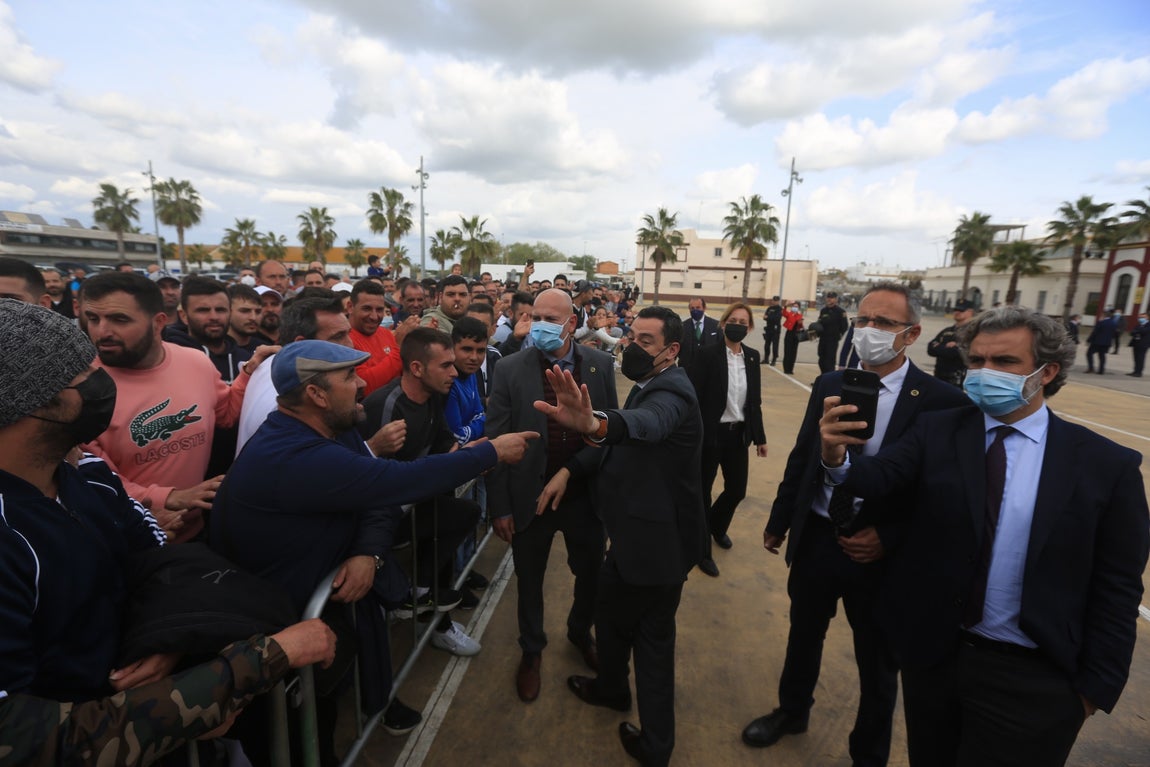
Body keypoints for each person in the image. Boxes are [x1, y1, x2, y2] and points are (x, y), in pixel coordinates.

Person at [0, 299, 335, 766]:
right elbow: (27, 742)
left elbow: (161, 562)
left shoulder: (90, 475)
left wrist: (170, 645)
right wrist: (237, 674)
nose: (102, 383)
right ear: (30, 403)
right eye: (81, 376)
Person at [818, 306, 1149, 767]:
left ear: (1046, 371)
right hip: (936, 659)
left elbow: (1118, 584)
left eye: (1005, 362)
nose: (984, 372)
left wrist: (1092, 689)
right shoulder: (939, 430)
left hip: (1035, 679)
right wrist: (836, 455)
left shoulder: (1106, 465)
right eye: (976, 361)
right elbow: (879, 478)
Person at [745, 282, 969, 764]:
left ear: (910, 334)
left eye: (883, 323)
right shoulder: (830, 383)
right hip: (819, 537)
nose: (868, 330)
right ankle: (791, 710)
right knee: (803, 634)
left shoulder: (942, 400)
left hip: (881, 555)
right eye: (862, 320)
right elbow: (805, 456)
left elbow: (942, 497)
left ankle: (868, 752)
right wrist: (781, 519)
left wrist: (889, 538)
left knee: (879, 660)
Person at [538, 306, 706, 767]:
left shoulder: (672, 390)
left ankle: (655, 746)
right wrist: (573, 468)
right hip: (633, 542)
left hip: (654, 552)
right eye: (632, 336)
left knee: (652, 645)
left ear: (671, 351)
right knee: (610, 617)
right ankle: (611, 688)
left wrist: (594, 424)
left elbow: (650, 425)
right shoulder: (649, 384)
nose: (632, 346)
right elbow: (626, 443)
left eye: (646, 342)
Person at [487, 288, 617, 703]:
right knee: (530, 581)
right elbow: (496, 442)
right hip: (530, 497)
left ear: (572, 324)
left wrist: (574, 470)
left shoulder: (599, 365)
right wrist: (501, 506)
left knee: (591, 575)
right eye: (534, 316)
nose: (539, 324)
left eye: (549, 317)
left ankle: (580, 633)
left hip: (584, 495)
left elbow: (610, 434)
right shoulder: (509, 369)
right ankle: (532, 650)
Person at [78, 272, 268, 542]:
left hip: (198, 532)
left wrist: (251, 370)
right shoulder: (80, 387)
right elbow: (92, 478)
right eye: (93, 319)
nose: (102, 331)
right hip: (128, 539)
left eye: (119, 319)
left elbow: (225, 414)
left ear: (158, 323)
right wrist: (168, 497)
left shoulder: (195, 363)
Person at [687, 302, 767, 579]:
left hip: (738, 434)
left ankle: (715, 527)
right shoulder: (707, 355)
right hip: (711, 434)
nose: (738, 325)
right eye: (733, 320)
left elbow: (754, 401)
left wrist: (760, 437)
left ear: (750, 327)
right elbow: (694, 398)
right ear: (722, 324)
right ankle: (702, 551)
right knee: (703, 491)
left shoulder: (753, 357)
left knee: (737, 490)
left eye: (743, 322)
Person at [348, 279, 413, 396]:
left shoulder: (386, 334)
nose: (374, 316)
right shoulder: (344, 340)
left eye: (379, 310)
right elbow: (365, 387)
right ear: (350, 307)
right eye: (366, 309)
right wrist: (399, 347)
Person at [927, 298, 976, 386]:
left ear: (970, 312)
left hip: (959, 379)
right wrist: (949, 348)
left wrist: (942, 347)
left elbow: (961, 352)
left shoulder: (974, 332)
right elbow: (930, 349)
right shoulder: (947, 331)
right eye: (956, 310)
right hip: (940, 377)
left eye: (961, 310)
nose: (957, 312)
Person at [678, 296, 721, 370]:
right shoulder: (682, 326)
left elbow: (721, 346)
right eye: (692, 308)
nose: (695, 310)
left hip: (710, 369)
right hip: (687, 370)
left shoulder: (716, 325)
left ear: (704, 308)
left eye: (698, 307)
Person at [815, 291, 849, 374]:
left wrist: (839, 335)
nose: (829, 299)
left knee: (829, 361)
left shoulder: (841, 312)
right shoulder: (823, 310)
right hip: (823, 339)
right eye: (828, 297)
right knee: (821, 360)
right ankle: (823, 378)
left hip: (832, 340)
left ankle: (828, 380)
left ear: (836, 299)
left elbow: (845, 326)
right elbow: (820, 322)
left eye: (832, 298)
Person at [781, 301, 805, 375]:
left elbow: (800, 326)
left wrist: (800, 324)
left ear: (798, 308)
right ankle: (786, 368)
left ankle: (791, 369)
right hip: (789, 334)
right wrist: (785, 306)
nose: (795, 308)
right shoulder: (790, 314)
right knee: (787, 351)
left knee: (793, 352)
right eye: (794, 306)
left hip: (796, 334)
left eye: (796, 306)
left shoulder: (799, 315)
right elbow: (784, 313)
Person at [1127, 311, 1150, 377]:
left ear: (1147, 317)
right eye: (1140, 317)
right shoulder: (1139, 324)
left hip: (1143, 344)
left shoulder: (1148, 325)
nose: (1141, 318)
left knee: (1140, 358)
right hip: (1136, 343)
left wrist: (1137, 331)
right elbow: (1131, 332)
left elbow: (1144, 331)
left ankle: (1139, 372)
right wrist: (1137, 331)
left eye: (1143, 317)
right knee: (1136, 358)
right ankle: (1135, 371)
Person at [762, 295, 782, 365]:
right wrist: (768, 317)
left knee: (775, 345)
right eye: (774, 300)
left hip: (775, 330)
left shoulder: (779, 309)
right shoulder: (769, 308)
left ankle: (774, 360)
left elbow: (776, 318)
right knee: (767, 345)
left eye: (776, 301)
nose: (775, 302)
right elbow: (764, 317)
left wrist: (768, 317)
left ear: (778, 301)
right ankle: (766, 359)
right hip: (768, 328)